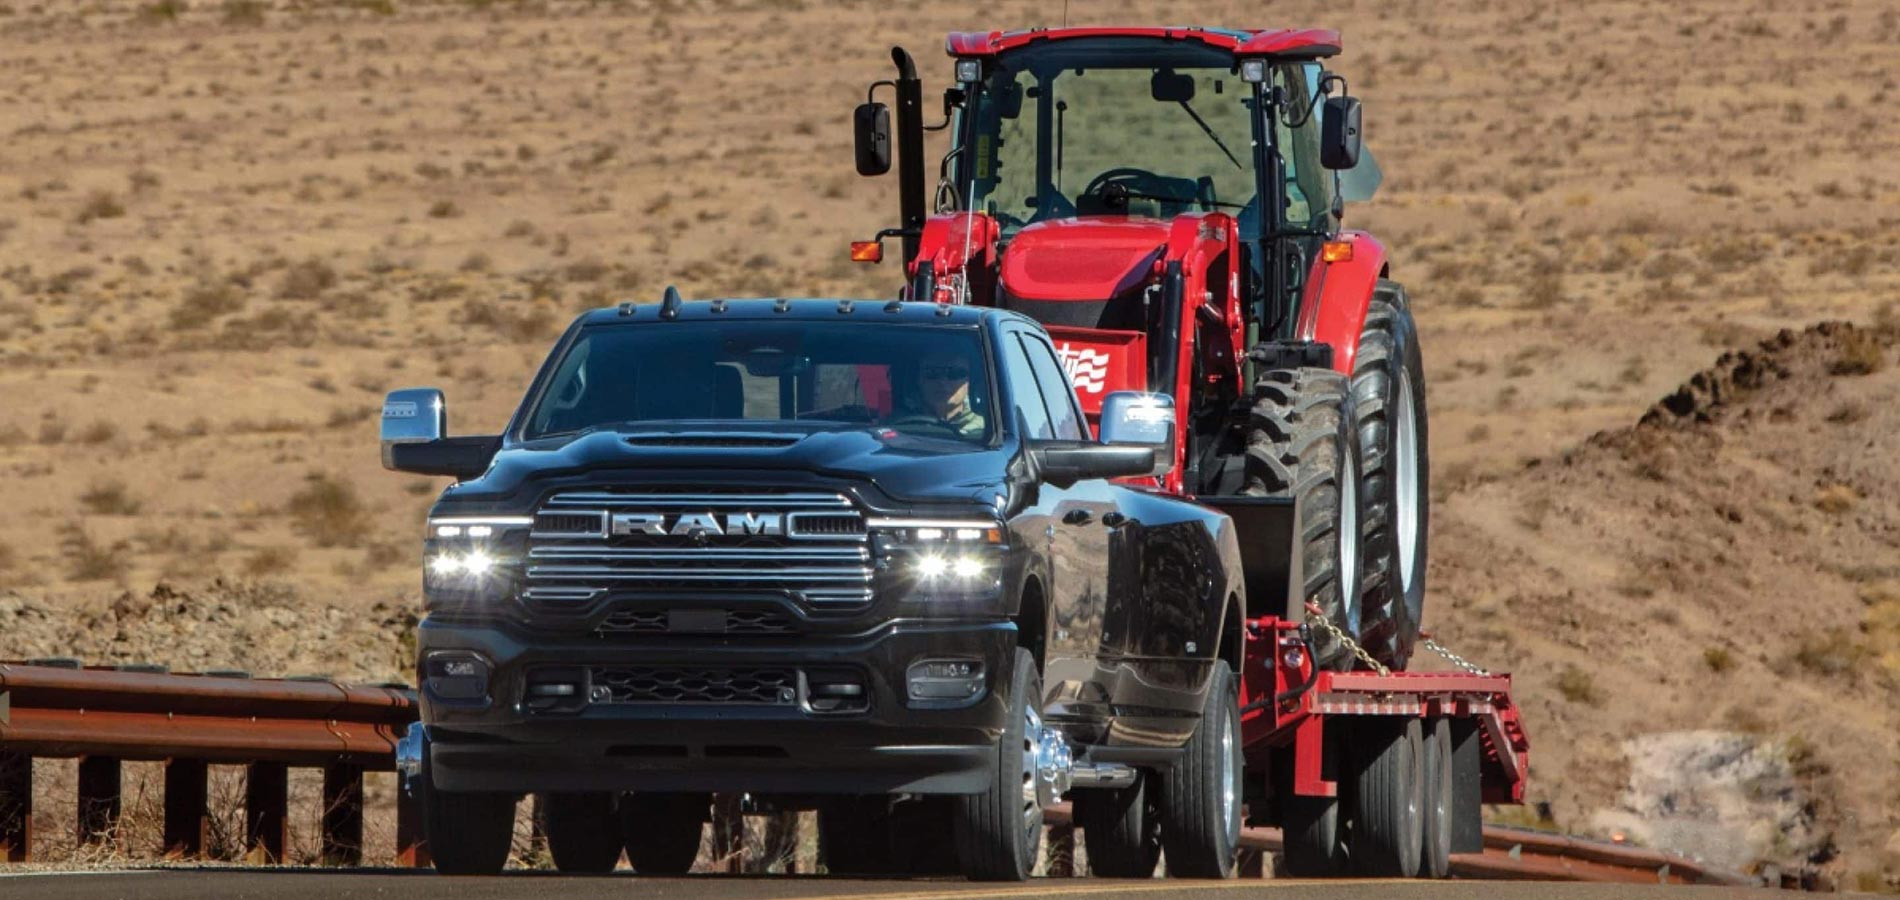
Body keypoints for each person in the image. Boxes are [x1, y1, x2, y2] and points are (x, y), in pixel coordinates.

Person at [889, 350, 985, 439]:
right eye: (932, 373)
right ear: (918, 380)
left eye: (955, 373)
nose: (943, 381)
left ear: (970, 381)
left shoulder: (989, 429)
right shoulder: (893, 427)